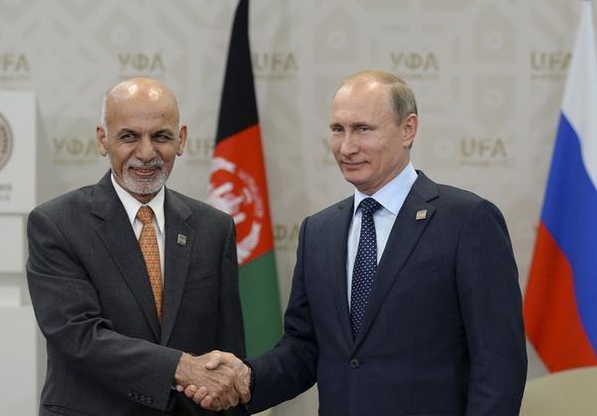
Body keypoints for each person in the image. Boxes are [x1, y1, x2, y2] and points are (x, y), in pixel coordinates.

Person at [184, 70, 527, 415]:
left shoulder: (467, 220)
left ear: (408, 129)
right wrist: (247, 379)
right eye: (338, 130)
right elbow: (305, 349)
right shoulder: (318, 232)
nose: (347, 147)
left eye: (363, 129)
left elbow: (499, 364)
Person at [26, 77, 248, 416]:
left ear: (181, 139)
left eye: (160, 136)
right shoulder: (56, 224)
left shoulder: (213, 228)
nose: (146, 153)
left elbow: (228, 351)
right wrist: (180, 366)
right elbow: (79, 336)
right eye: (129, 136)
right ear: (103, 140)